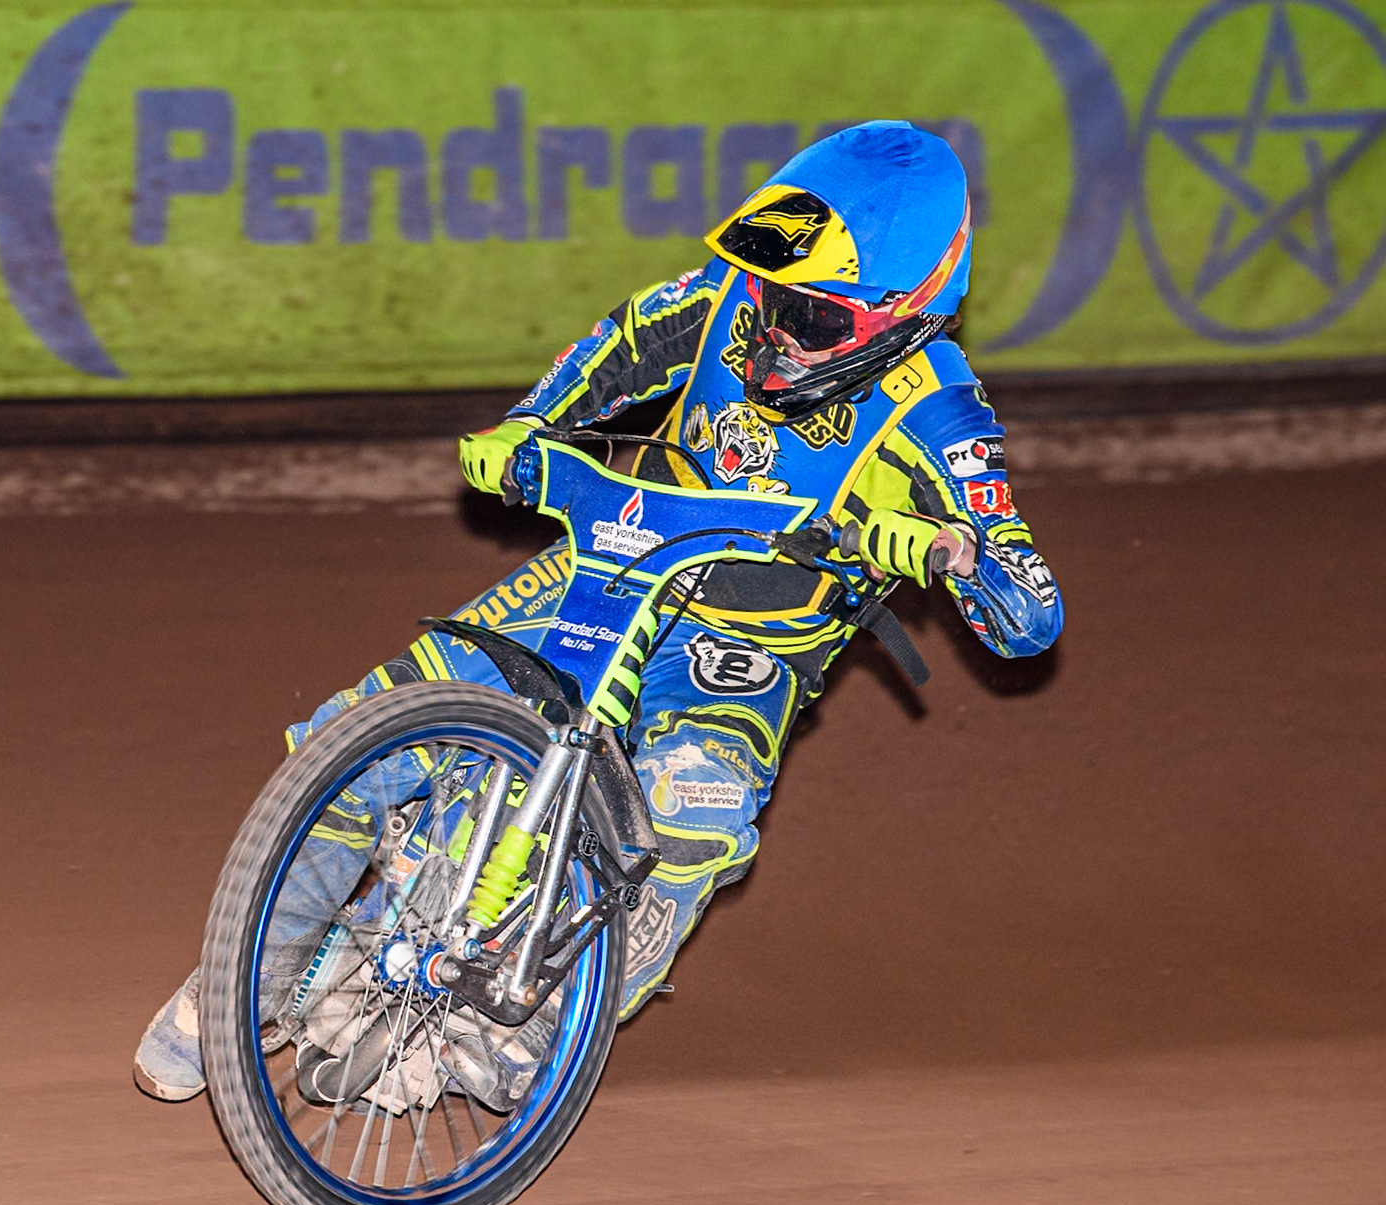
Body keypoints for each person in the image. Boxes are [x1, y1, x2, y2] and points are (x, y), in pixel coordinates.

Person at [134, 120, 1062, 1102]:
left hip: (746, 647)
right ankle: (246, 975)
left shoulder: (939, 414)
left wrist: (982, 569)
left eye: (817, 318)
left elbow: (1025, 600)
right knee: (358, 729)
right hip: (614, 563)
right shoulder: (732, 296)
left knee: (685, 825)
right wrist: (532, 428)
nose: (779, 327)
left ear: (906, 311)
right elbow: (619, 350)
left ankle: (521, 1034)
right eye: (777, 296)